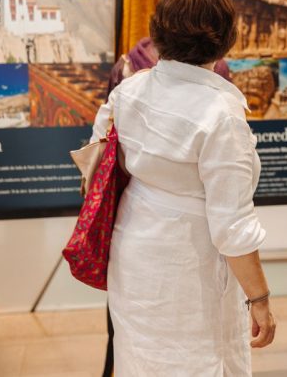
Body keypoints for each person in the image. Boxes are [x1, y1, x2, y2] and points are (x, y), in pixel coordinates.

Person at [91, 0, 275, 375]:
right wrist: (259, 299)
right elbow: (233, 228)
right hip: (189, 269)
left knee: (139, 359)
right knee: (196, 362)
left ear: (158, 30)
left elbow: (102, 166)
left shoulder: (130, 91)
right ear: (227, 38)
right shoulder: (221, 115)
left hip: (133, 252)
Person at [100, 35, 234, 377]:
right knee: (196, 351)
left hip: (132, 232)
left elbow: (101, 155)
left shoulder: (127, 78)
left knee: (138, 348)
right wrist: (260, 296)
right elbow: (233, 215)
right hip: (195, 244)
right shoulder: (221, 94)